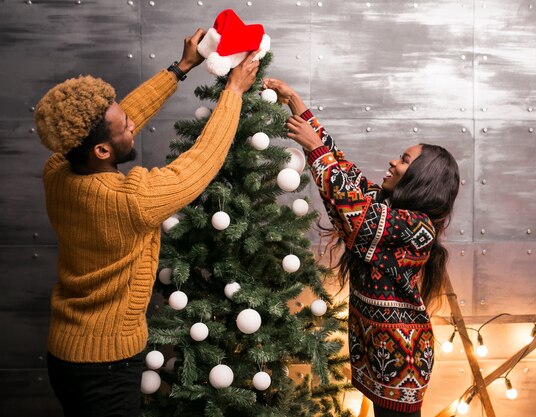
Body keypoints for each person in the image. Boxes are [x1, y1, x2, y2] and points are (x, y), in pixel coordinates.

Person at [34, 28, 259, 417]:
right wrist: (233, 93)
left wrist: (181, 67)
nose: (132, 123)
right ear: (102, 150)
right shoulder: (129, 201)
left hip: (64, 353)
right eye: (124, 127)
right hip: (106, 366)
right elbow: (198, 165)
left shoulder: (58, 169)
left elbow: (121, 118)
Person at [263, 78, 460, 417]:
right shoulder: (388, 208)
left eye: (404, 159)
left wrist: (314, 148)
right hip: (376, 349)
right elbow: (345, 173)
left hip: (402, 359)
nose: (393, 163)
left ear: (421, 177)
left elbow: (351, 208)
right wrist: (294, 101)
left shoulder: (417, 226)